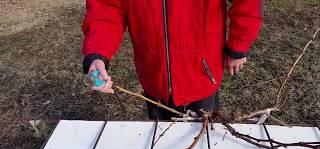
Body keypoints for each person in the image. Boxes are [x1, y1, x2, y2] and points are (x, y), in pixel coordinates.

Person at [82, 0, 264, 119]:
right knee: (161, 145)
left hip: (200, 74)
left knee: (200, 146)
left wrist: (238, 44)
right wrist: (97, 53)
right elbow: (106, 11)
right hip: (153, 75)